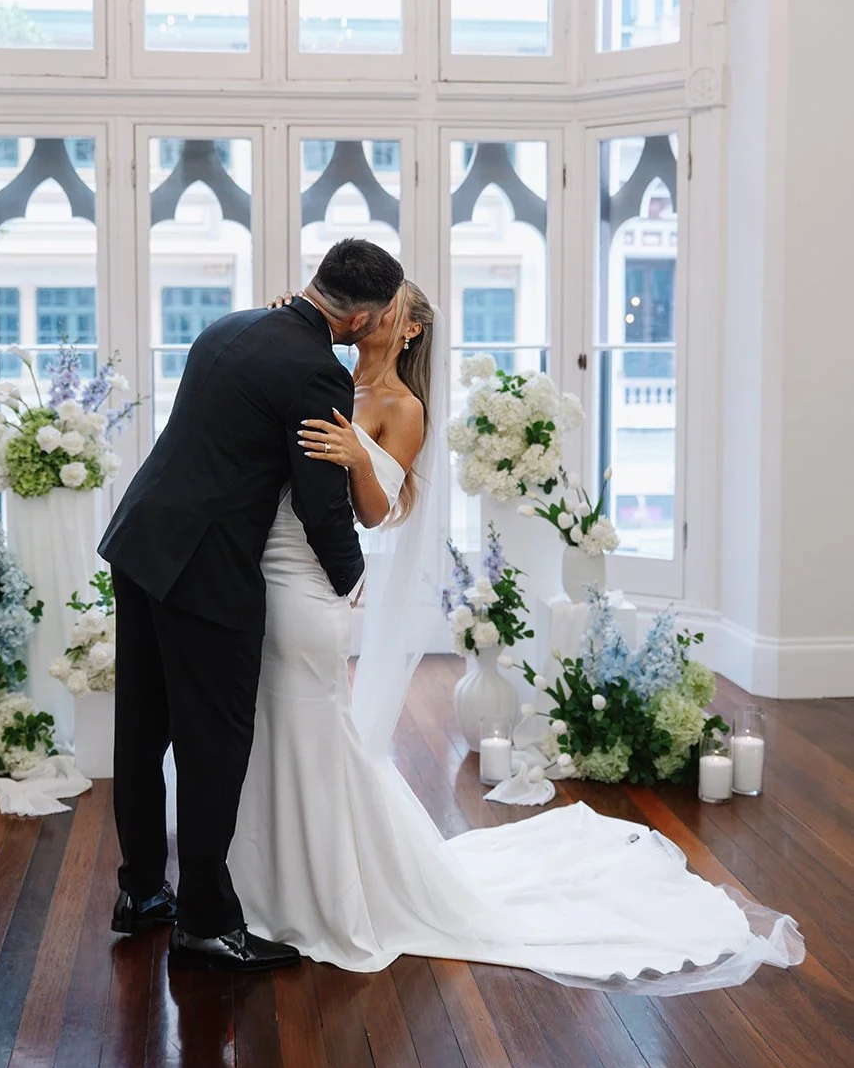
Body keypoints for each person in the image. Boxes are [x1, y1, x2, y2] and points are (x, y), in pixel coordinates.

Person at [227, 282, 804, 988]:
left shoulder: (402, 410)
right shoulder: (316, 372)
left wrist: (354, 457)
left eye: (389, 313)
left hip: (313, 581)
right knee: (270, 728)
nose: (373, 319)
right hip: (265, 571)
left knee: (313, 729)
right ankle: (270, 876)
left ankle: (327, 887)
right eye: (371, 308)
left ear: (405, 332)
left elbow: (376, 515)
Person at [98, 238, 404, 972]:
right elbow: (320, 500)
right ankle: (204, 921)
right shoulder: (315, 373)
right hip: (206, 572)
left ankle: (141, 893)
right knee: (213, 746)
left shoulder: (226, 326)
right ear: (362, 315)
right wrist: (349, 575)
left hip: (142, 541)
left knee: (142, 732)